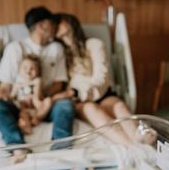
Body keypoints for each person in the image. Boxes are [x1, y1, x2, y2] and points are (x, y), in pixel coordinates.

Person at [0, 6, 75, 157]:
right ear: (42, 25)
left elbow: (60, 83)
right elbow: (5, 86)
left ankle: (61, 150)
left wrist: (37, 95)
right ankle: (17, 146)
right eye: (52, 23)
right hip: (19, 104)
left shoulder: (56, 48)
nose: (55, 27)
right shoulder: (15, 48)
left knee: (65, 105)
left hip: (45, 103)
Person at [54, 13, 157, 145]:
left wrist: (79, 90)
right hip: (80, 100)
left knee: (120, 106)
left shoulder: (94, 44)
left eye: (59, 22)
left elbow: (101, 78)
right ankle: (133, 147)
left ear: (70, 23)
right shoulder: (59, 54)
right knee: (92, 109)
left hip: (102, 94)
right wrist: (76, 93)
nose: (56, 27)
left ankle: (142, 142)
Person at [10, 55, 52, 135]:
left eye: (32, 69)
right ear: (19, 70)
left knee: (48, 101)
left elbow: (37, 95)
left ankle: (37, 118)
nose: (28, 71)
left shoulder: (37, 81)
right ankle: (27, 127)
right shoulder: (17, 83)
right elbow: (11, 97)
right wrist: (16, 89)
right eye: (25, 68)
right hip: (24, 108)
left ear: (38, 71)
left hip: (36, 107)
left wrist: (32, 96)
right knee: (23, 113)